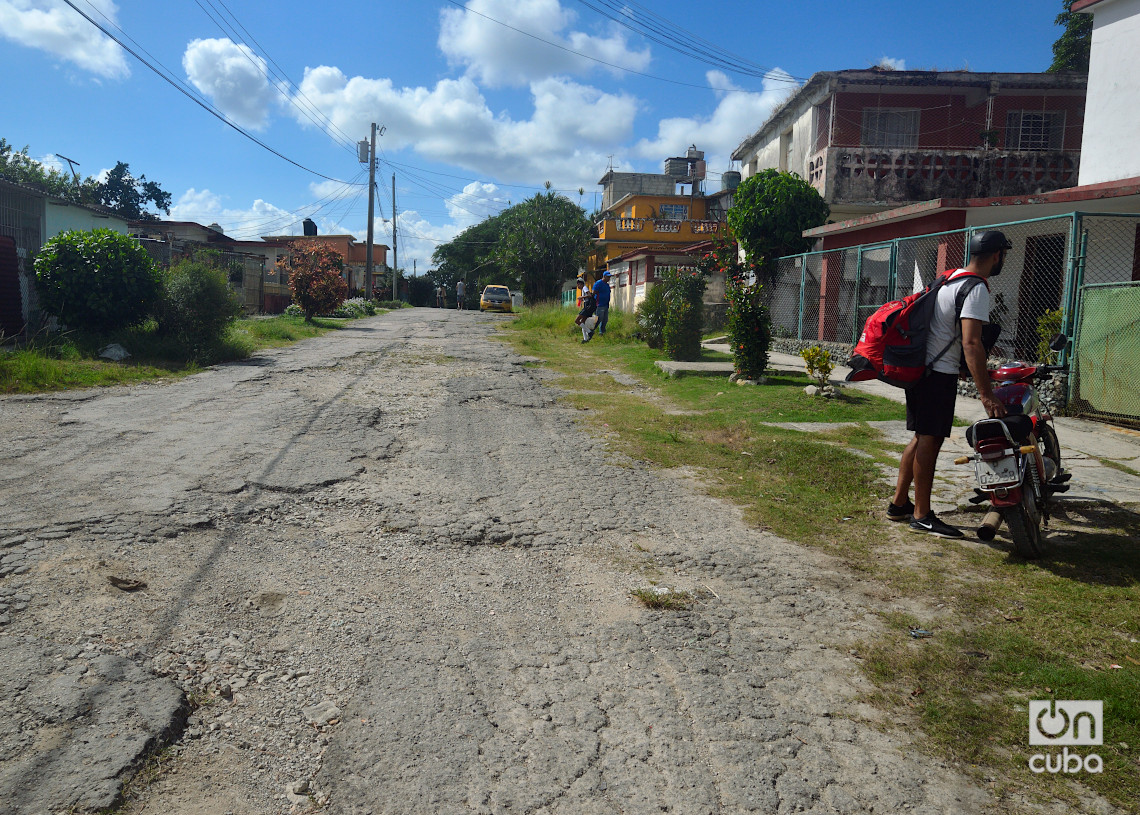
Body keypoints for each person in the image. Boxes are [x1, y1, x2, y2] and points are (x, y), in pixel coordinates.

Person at [889, 230, 1010, 538]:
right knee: (930, 441)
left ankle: (900, 504)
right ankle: (922, 515)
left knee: (920, 438)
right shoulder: (976, 288)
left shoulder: (948, 279)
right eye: (1002, 255)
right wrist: (986, 395)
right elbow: (971, 343)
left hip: (920, 369)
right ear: (997, 256)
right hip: (937, 375)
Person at [575, 277, 597, 342]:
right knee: (582, 322)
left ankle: (590, 332)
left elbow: (589, 295)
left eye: (578, 284)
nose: (578, 286)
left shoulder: (584, 288)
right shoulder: (583, 289)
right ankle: (585, 339)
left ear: (581, 284)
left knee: (577, 320)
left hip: (587, 307)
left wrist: (582, 297)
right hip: (587, 306)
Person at [591, 271, 612, 336]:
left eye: (609, 277)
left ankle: (602, 332)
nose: (609, 278)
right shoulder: (598, 283)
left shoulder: (607, 285)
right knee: (599, 319)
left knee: (605, 320)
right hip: (599, 304)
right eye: (608, 277)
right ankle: (590, 330)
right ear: (604, 276)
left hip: (606, 304)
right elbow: (593, 292)